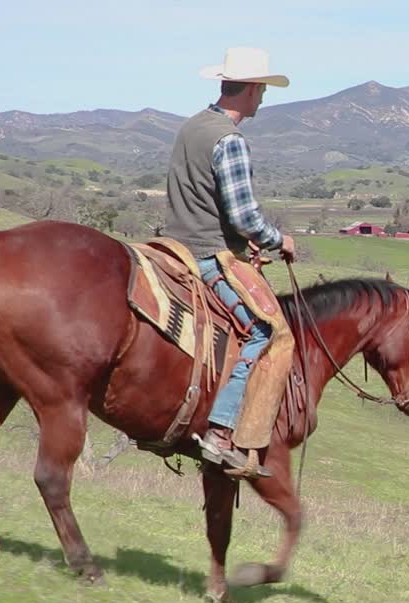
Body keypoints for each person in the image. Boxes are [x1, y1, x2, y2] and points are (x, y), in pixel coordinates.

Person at [164, 47, 296, 475]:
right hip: (206, 254)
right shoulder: (229, 139)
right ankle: (222, 432)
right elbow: (243, 215)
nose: (262, 99)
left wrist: (242, 241)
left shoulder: (192, 126)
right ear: (253, 89)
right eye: (261, 90)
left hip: (173, 245)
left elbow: (204, 199)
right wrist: (279, 240)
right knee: (268, 333)